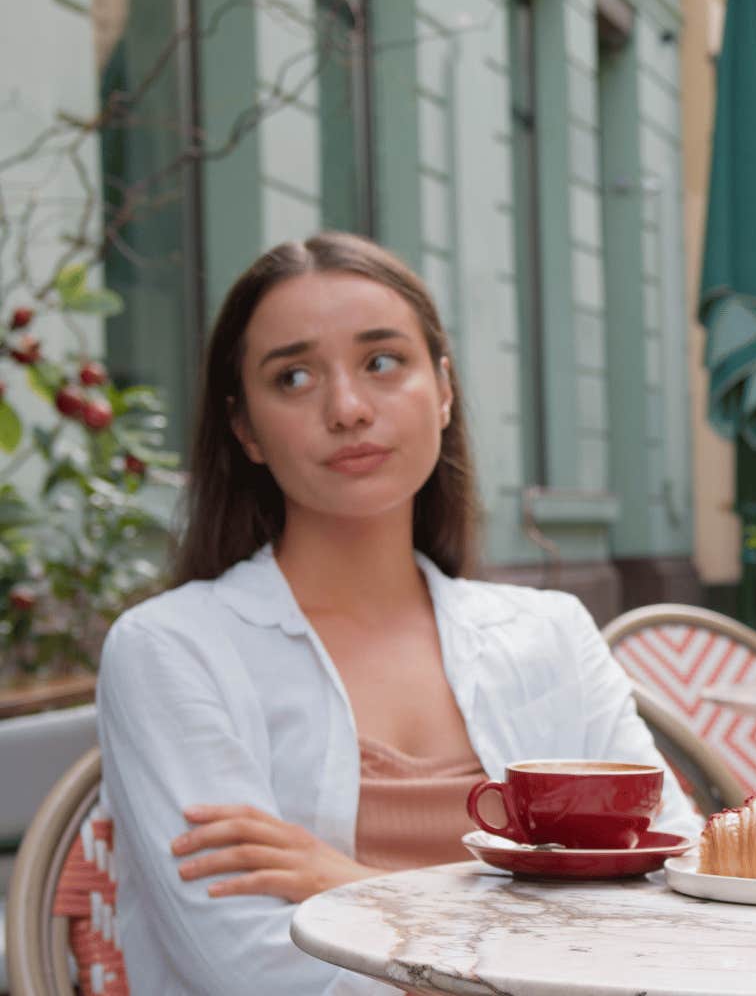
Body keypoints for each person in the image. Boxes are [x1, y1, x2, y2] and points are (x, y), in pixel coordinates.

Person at [96, 232, 701, 995]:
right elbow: (251, 973)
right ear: (245, 428)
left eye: (383, 362)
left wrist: (355, 887)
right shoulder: (171, 650)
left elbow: (675, 904)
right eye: (293, 377)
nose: (347, 409)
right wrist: (532, 951)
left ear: (443, 390)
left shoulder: (551, 635)